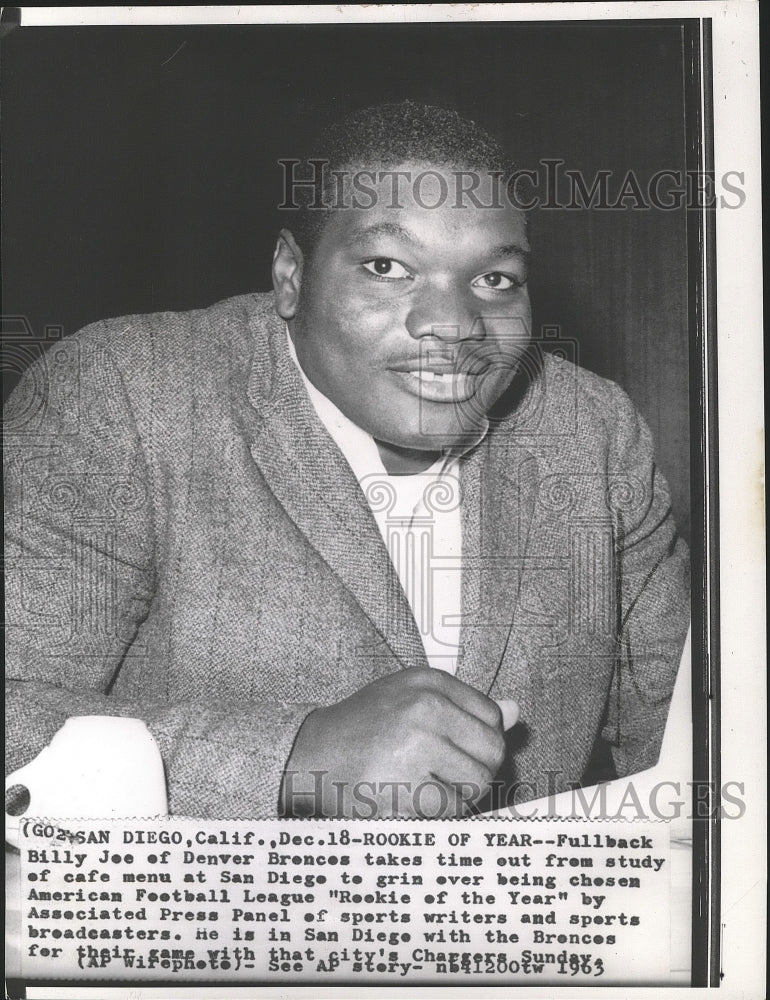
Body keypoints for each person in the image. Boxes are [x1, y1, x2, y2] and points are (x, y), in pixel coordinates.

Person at [4, 101, 690, 820]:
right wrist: (294, 758)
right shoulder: (125, 393)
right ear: (291, 274)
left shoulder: (593, 432)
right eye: (388, 267)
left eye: (494, 280)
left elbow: (697, 738)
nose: (454, 326)